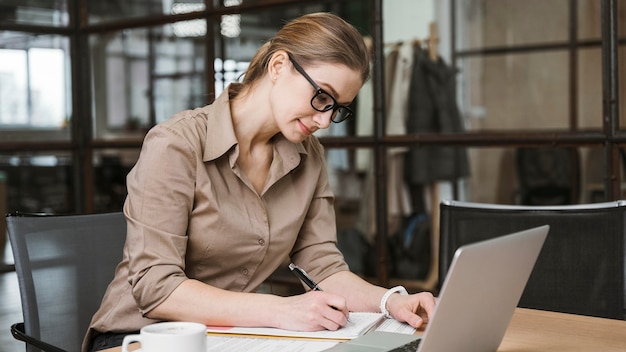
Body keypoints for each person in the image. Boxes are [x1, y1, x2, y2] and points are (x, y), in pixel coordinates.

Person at [83, 12, 436, 352]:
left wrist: (391, 301)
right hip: (141, 337)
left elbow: (323, 265)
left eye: (338, 108)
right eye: (322, 97)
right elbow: (156, 288)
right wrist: (283, 311)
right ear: (279, 66)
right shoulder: (177, 144)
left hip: (235, 337)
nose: (325, 120)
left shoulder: (308, 156)